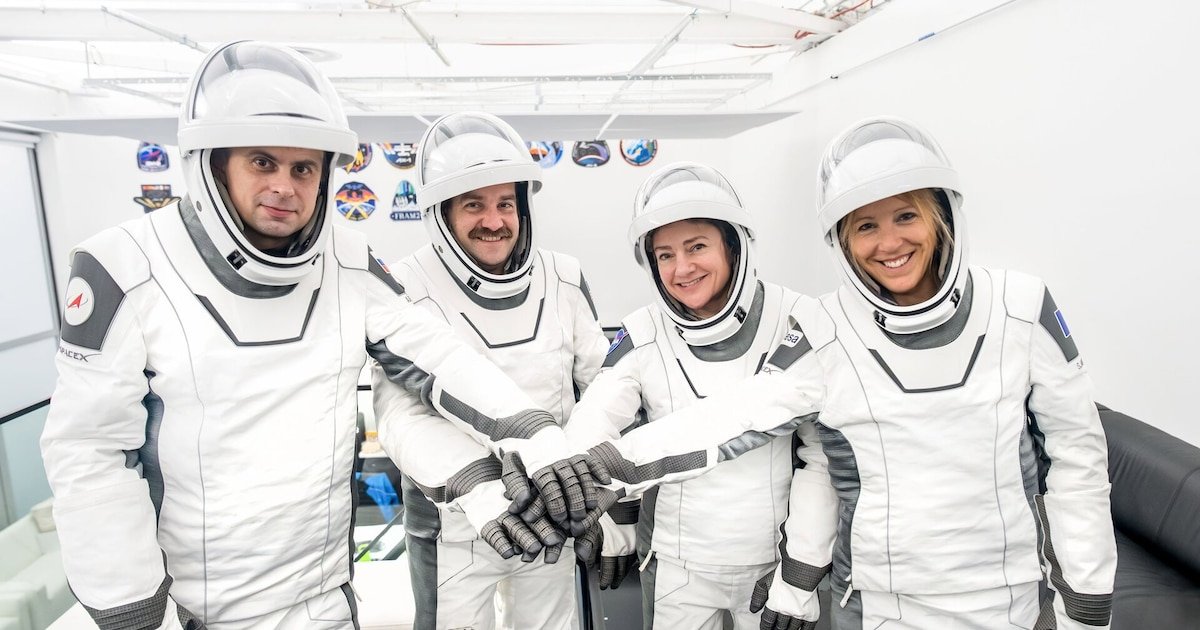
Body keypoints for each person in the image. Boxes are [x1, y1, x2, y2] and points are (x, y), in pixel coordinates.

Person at [40, 41, 602, 630]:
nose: (285, 186)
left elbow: (435, 355)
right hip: (195, 608)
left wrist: (534, 435)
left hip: (326, 595)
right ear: (213, 164)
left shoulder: (347, 260)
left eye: (303, 168)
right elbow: (89, 450)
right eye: (263, 162)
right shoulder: (125, 267)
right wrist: (131, 607)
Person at [584, 116, 1116, 629]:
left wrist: (1084, 603)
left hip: (1010, 598)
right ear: (842, 239)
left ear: (942, 215)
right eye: (866, 226)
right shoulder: (825, 327)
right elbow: (732, 416)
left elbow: (1078, 458)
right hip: (878, 603)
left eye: (905, 216)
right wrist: (596, 468)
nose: (888, 243)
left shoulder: (1020, 306)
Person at [563, 163, 839, 629]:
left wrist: (801, 571)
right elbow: (598, 420)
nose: (682, 268)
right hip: (676, 565)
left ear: (733, 246)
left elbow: (822, 459)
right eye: (665, 255)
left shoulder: (799, 319)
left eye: (696, 247)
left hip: (769, 563)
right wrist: (611, 515)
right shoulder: (643, 331)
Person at [370, 111, 609, 630]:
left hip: (551, 514)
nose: (494, 221)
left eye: (505, 203)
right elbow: (397, 416)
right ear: (440, 212)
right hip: (453, 524)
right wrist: (477, 487)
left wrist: (599, 498)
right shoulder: (405, 284)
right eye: (473, 204)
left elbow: (601, 388)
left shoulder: (563, 276)